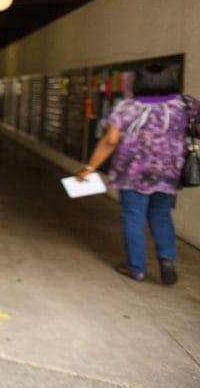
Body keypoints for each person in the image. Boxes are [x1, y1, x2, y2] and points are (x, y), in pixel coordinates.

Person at [77, 64, 200, 285]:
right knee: (161, 214)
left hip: (132, 172)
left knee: (133, 216)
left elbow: (111, 140)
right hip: (169, 171)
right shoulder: (185, 104)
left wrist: (90, 168)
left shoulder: (127, 107)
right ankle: (167, 260)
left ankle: (136, 268)